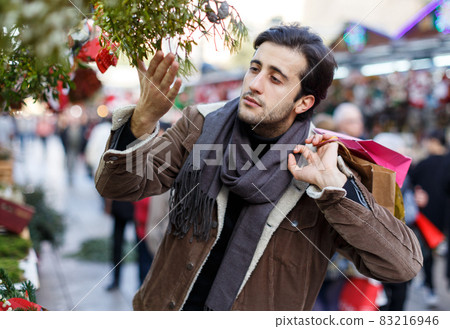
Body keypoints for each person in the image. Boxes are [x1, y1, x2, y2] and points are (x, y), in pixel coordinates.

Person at [95, 24, 422, 311]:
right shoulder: (201, 124)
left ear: (304, 102)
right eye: (254, 69)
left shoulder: (323, 164)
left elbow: (403, 265)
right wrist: (143, 120)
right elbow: (117, 187)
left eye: (275, 79)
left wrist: (336, 192)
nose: (255, 84)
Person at [410, 129, 450, 307]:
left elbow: (411, 182)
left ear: (434, 141)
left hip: (427, 219)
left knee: (427, 255)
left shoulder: (424, 163)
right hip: (444, 218)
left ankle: (430, 287)